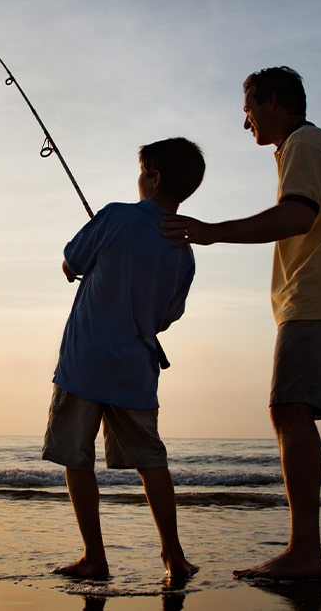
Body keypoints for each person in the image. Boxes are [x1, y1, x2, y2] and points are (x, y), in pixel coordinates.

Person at [161, 66, 321, 580]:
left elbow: (296, 216)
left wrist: (211, 232)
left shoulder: (303, 144)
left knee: (289, 411)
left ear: (274, 102)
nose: (246, 124)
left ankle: (304, 551)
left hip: (316, 302)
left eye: (248, 110)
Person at [43, 137, 205, 580]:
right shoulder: (184, 250)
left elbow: (70, 261)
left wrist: (82, 266)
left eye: (141, 172)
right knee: (151, 461)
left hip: (83, 363)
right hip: (135, 369)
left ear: (152, 178)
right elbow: (168, 316)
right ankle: (173, 555)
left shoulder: (116, 215)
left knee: (78, 459)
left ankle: (95, 557)